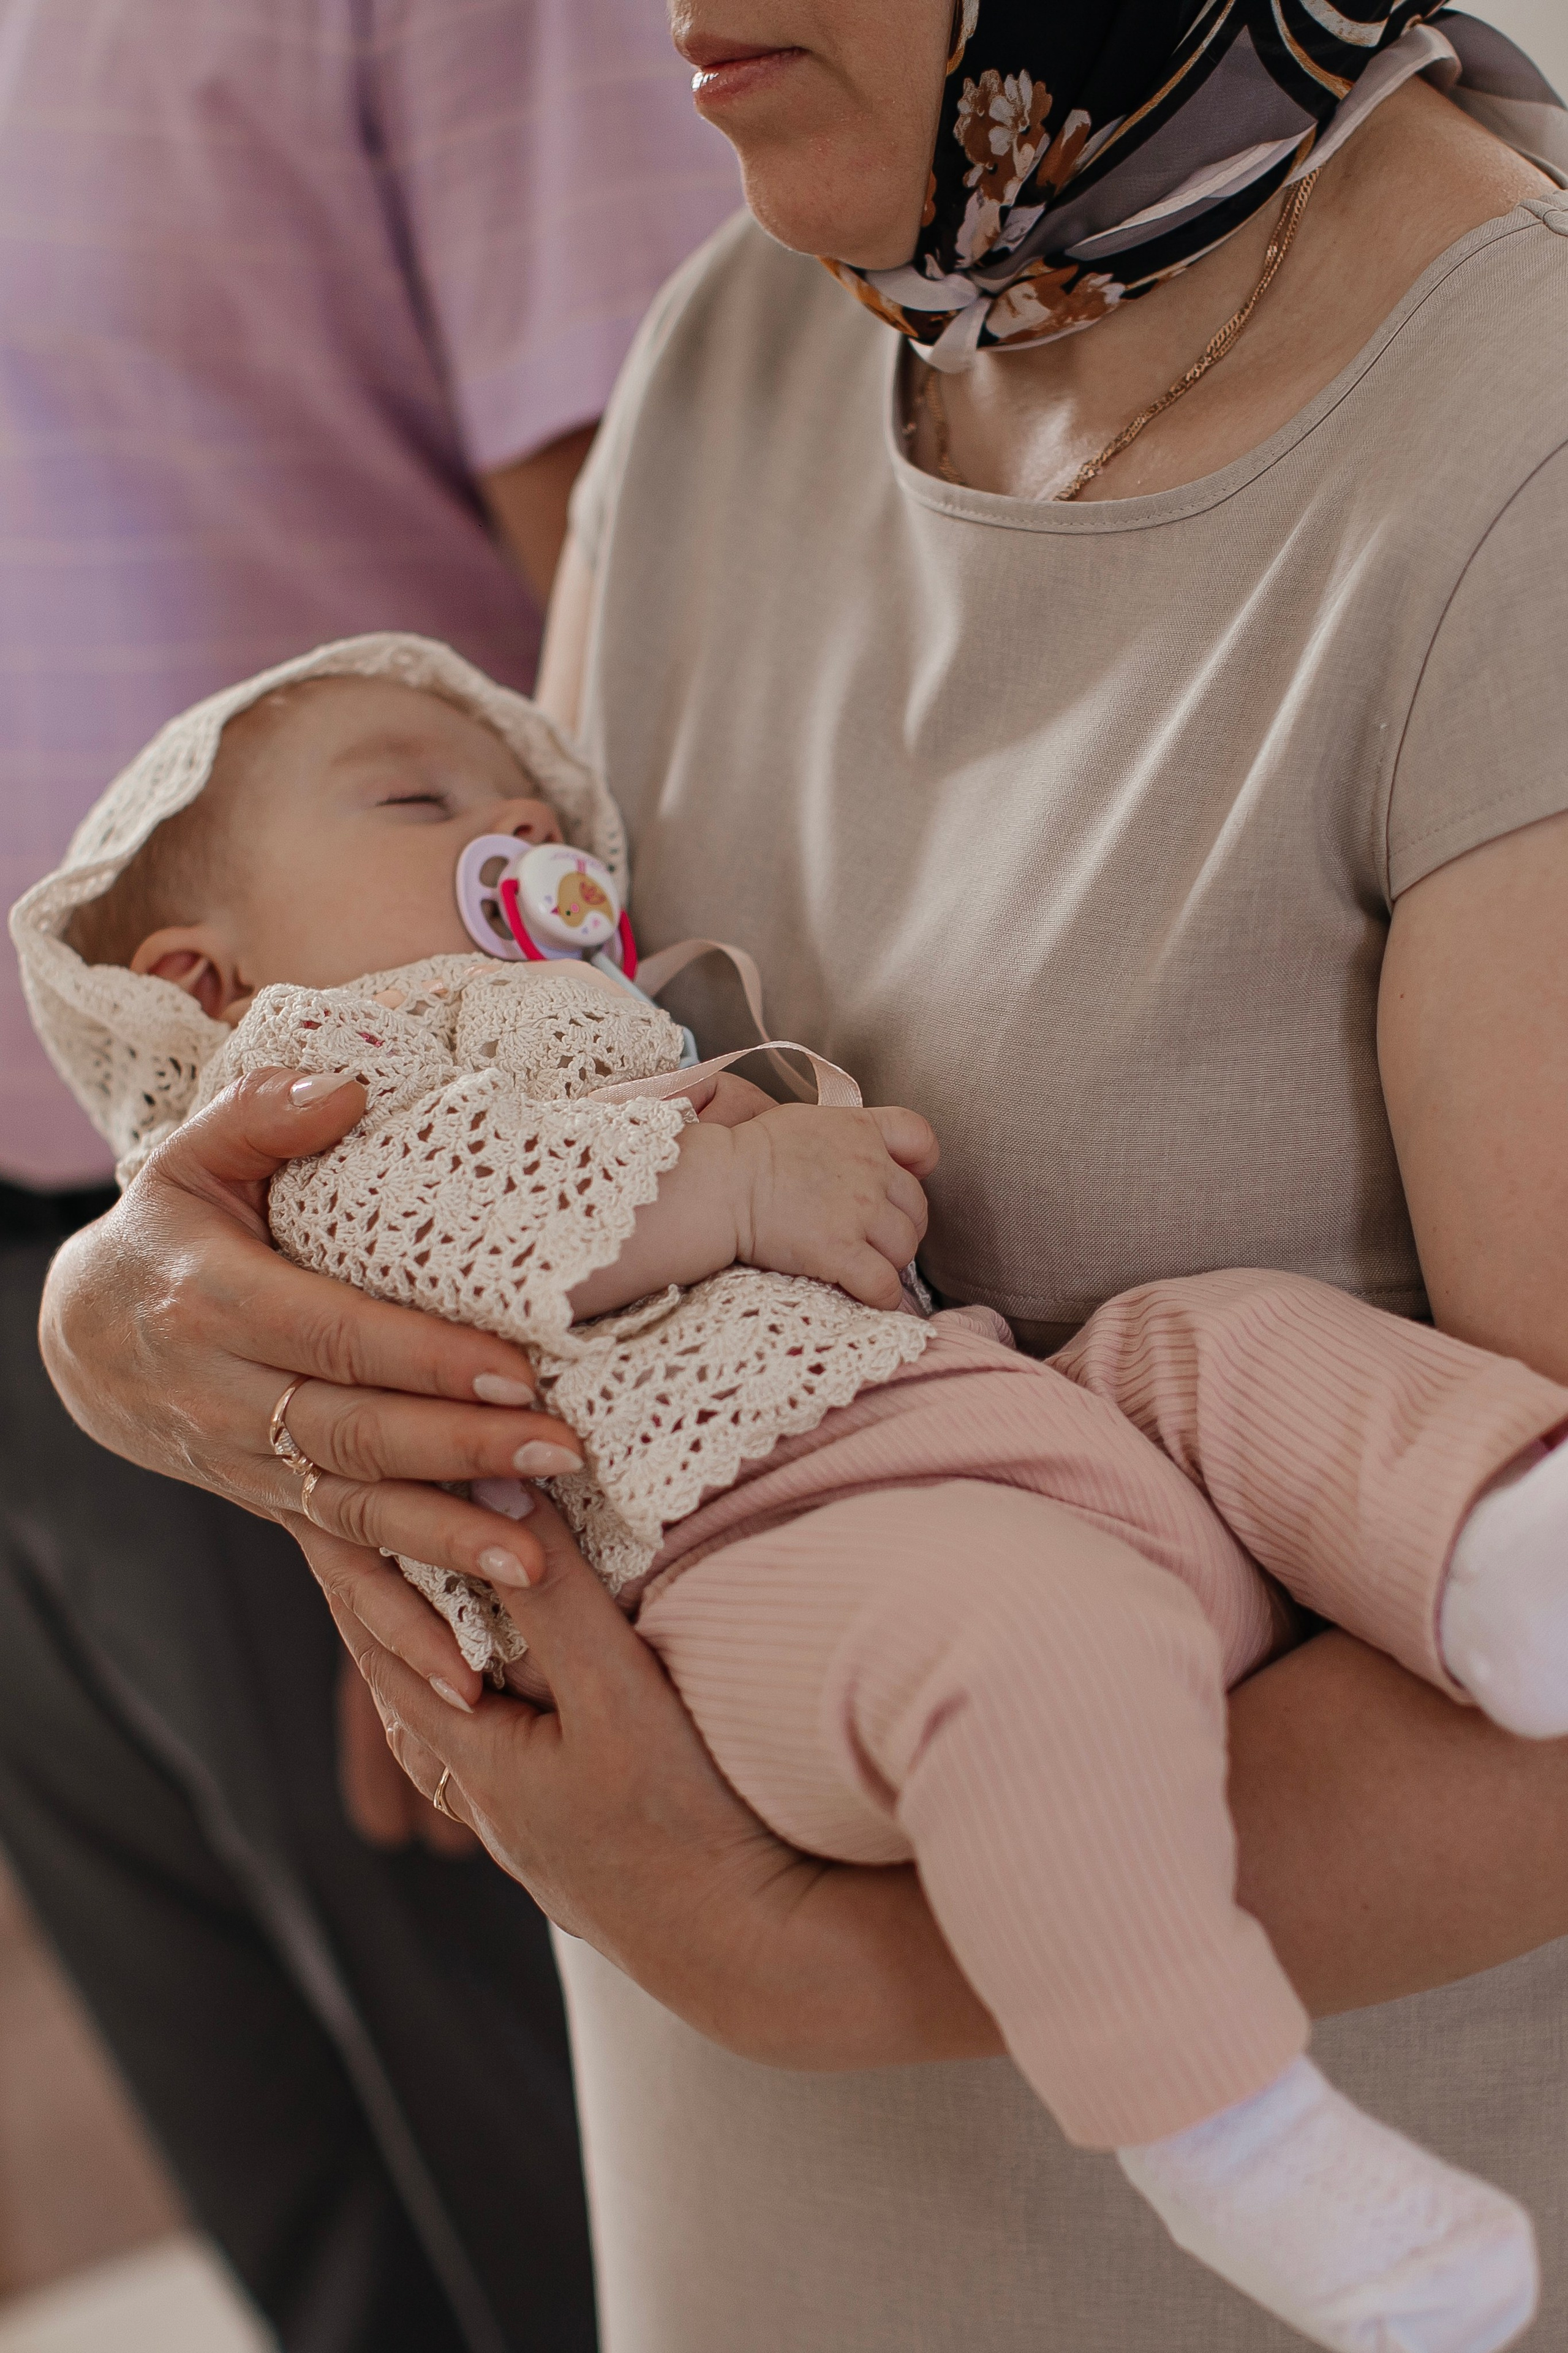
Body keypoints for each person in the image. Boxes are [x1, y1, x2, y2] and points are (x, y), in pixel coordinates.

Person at [29, 0, 1568, 2346]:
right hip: (746, 2230)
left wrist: (797, 1953)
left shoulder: (1516, 462)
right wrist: (143, 1302)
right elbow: (532, 1046)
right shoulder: (751, 331)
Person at [0, 7, 736, 2348]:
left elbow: (679, 673)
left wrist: (498, 1482)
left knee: (569, 2241)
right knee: (325, 2257)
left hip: (360, 1295)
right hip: (54, 1320)